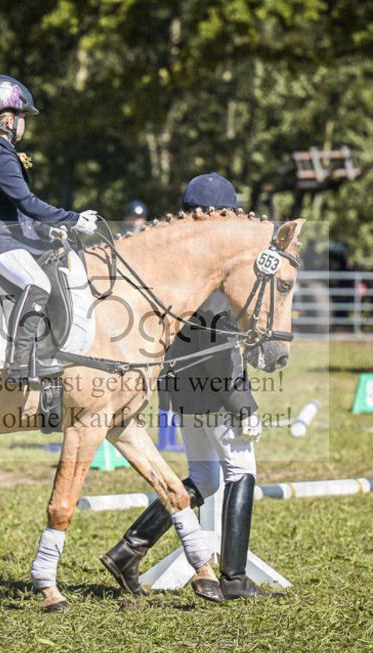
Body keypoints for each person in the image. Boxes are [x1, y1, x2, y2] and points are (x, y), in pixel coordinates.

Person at [100, 172, 281, 600]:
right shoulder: (217, 269)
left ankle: (130, 548)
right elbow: (219, 347)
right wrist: (245, 406)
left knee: (203, 477)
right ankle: (234, 579)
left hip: (180, 390)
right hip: (217, 390)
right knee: (241, 472)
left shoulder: (173, 264)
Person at [0, 75, 98, 385]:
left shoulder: (1, 150)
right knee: (37, 284)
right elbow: (27, 201)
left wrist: (45, 231)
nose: (24, 124)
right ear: (9, 119)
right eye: (23, 117)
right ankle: (20, 363)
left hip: (10, 236)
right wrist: (71, 219)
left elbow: (17, 208)